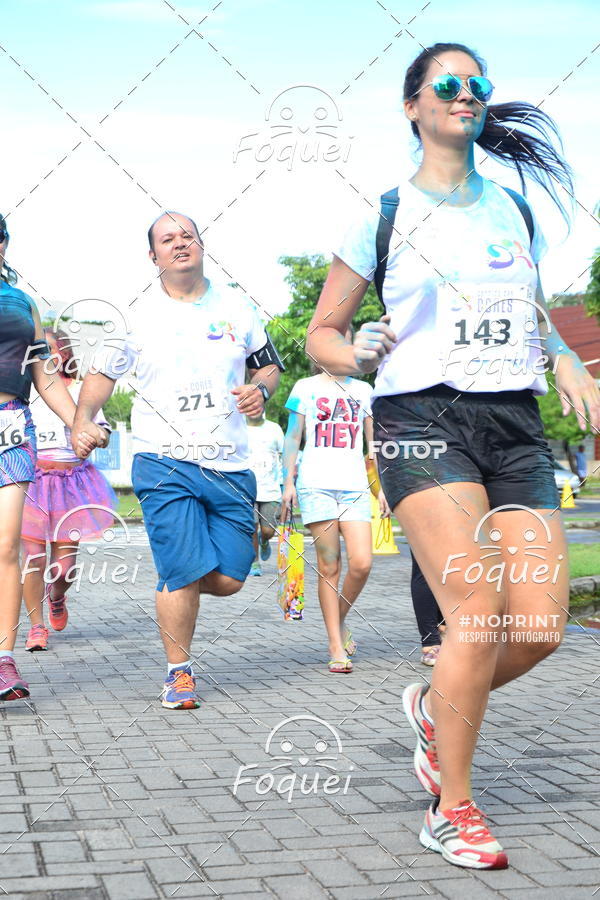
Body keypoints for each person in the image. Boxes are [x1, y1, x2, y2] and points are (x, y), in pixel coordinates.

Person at [305, 42, 600, 868]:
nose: (466, 94)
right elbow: (319, 333)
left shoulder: (512, 207)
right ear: (414, 106)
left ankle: (436, 708)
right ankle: (453, 806)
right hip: (420, 418)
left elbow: (529, 308)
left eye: (478, 85)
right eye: (448, 84)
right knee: (475, 611)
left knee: (540, 627)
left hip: (513, 423)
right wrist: (349, 350)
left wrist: (567, 357)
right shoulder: (385, 213)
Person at [71, 211, 283, 710]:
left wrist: (260, 391)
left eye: (187, 235)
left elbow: (269, 366)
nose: (180, 243)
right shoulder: (134, 319)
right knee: (182, 571)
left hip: (230, 463)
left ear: (201, 245)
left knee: (230, 578)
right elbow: (100, 376)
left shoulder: (238, 306)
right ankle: (178, 673)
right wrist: (83, 419)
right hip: (162, 460)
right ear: (154, 257)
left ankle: (181, 572)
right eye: (168, 239)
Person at [0, 214, 103, 701]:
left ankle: (3, 662)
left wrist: (79, 422)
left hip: (11, 427)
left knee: (7, 549)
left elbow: (43, 374)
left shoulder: (23, 304)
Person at [20, 327, 116, 651]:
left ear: (64, 352)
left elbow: (102, 431)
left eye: (50, 348)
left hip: (71, 485)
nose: (45, 356)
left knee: (64, 566)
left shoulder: (79, 392)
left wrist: (96, 438)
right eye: (38, 350)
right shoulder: (25, 392)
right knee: (32, 559)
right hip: (33, 482)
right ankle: (36, 626)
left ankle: (57, 595)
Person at [281, 363, 375, 673]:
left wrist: (381, 485)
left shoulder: (364, 390)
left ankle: (339, 619)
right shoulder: (304, 388)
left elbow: (373, 446)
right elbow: (293, 438)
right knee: (329, 566)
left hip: (355, 487)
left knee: (362, 563)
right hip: (315, 486)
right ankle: (336, 645)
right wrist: (289, 483)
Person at [246, 411, 284, 576]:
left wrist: (285, 484)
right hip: (246, 488)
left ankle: (264, 540)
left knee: (268, 530)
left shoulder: (274, 429)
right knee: (251, 527)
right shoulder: (238, 428)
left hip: (271, 489)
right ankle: (255, 562)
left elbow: (284, 456)